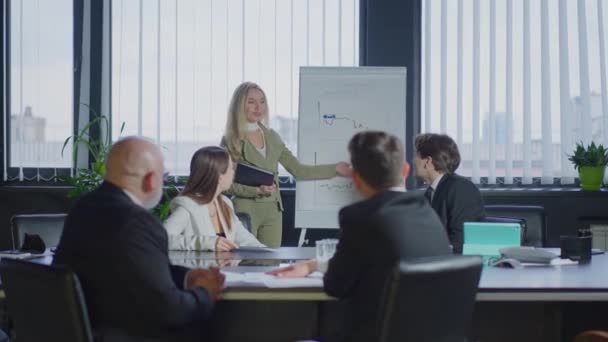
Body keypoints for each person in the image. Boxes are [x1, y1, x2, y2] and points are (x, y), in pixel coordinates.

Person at [270, 131, 452, 342]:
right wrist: (314, 265)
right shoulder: (428, 212)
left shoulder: (359, 217)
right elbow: (385, 259)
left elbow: (335, 286)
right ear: (405, 170)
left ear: (356, 179)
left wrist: (317, 267)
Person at [54, 136, 225, 342]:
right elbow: (170, 310)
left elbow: (135, 268)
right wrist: (205, 293)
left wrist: (187, 276)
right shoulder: (138, 222)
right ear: (151, 180)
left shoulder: (83, 207)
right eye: (164, 176)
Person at [222, 81, 352, 247]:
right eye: (251, 102)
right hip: (245, 209)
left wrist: (335, 169)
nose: (258, 107)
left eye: (262, 101)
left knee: (270, 264)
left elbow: (299, 170)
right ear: (240, 105)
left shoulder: (272, 137)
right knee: (245, 262)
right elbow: (225, 185)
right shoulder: (230, 140)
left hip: (273, 211)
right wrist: (255, 190)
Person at [164, 146, 265, 251]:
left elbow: (246, 239)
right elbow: (162, 238)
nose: (233, 173)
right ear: (219, 177)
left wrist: (269, 252)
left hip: (226, 267)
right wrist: (206, 243)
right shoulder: (187, 206)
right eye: (231, 168)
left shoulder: (225, 203)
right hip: (198, 267)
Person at [413, 133, 486, 254]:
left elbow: (460, 242)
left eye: (416, 156)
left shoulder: (461, 188)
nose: (413, 161)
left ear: (428, 161)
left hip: (454, 266)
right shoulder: (430, 193)